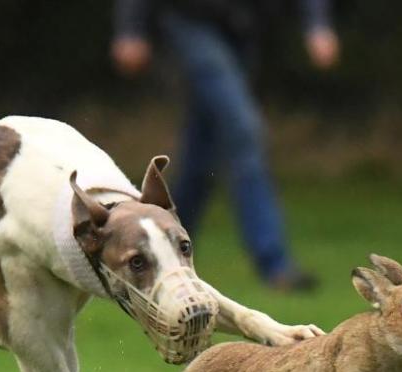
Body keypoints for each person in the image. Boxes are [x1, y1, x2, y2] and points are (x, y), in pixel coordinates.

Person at [112, 0, 340, 292]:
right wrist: (130, 29)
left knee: (201, 154)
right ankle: (274, 263)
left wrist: (317, 24)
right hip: (189, 21)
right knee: (243, 131)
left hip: (243, 30)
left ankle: (162, 244)